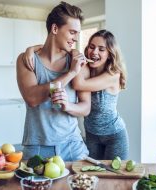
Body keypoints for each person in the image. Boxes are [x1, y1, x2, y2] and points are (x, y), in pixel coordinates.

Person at [23, 29, 129, 160]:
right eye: (91, 47)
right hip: (91, 134)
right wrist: (31, 49)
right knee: (93, 174)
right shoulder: (86, 68)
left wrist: (75, 53)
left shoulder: (113, 75)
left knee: (115, 177)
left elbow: (78, 84)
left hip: (114, 135)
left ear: (110, 53)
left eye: (101, 49)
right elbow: (54, 47)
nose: (94, 52)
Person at [16, 1, 91, 161]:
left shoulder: (78, 61)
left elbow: (85, 108)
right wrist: (70, 73)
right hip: (37, 147)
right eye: (72, 32)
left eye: (77, 33)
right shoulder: (27, 60)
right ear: (55, 28)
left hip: (73, 146)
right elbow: (32, 99)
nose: (76, 39)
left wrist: (68, 106)